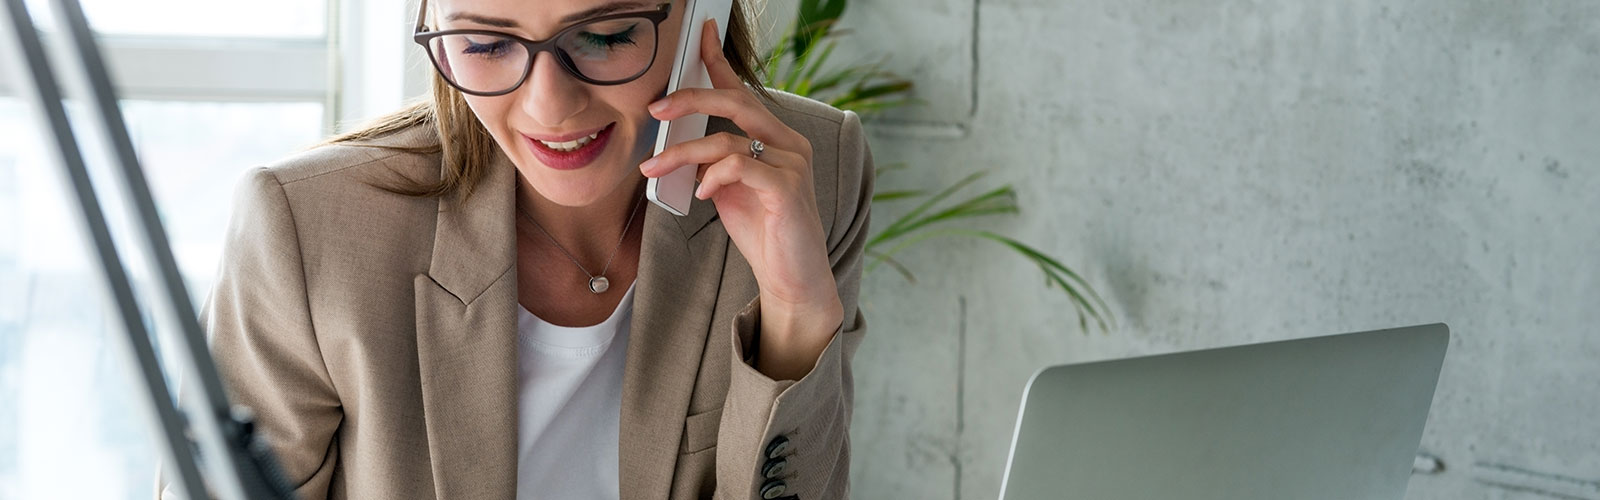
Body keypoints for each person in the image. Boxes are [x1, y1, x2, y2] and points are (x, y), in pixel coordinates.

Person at [176, 0, 874, 498]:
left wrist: (795, 312)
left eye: (603, 36)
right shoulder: (308, 227)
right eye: (484, 44)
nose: (550, 106)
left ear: (703, 17)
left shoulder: (811, 176)